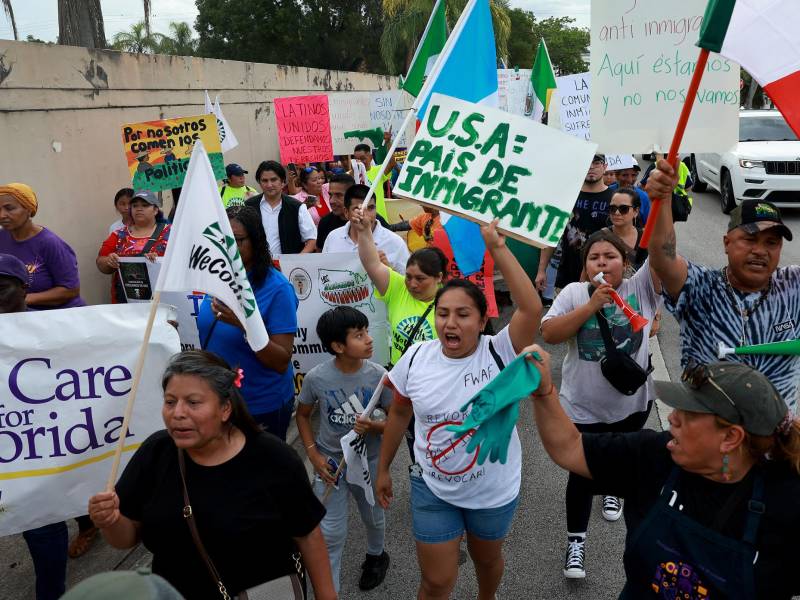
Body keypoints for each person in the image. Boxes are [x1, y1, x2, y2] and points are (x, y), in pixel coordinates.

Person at [527, 346, 800, 599]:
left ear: (730, 437)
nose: (672, 418)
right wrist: (544, 391)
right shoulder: (655, 455)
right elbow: (570, 448)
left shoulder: (787, 500)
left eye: (689, 413)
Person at [375, 220, 541, 600]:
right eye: (443, 313)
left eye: (463, 314)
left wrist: (498, 248)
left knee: (486, 561)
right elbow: (400, 413)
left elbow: (531, 307)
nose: (450, 323)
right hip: (432, 486)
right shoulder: (417, 357)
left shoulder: (500, 351)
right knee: (436, 582)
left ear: (483, 321)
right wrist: (384, 468)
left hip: (492, 490)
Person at [87, 351, 337, 600]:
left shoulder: (272, 457)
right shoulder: (156, 453)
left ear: (225, 408)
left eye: (193, 403)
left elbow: (307, 534)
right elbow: (126, 537)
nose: (178, 413)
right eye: (170, 401)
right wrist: (109, 520)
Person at [541, 230, 662, 579]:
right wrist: (591, 306)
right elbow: (549, 334)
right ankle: (576, 543)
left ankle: (613, 492)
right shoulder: (575, 293)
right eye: (594, 258)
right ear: (586, 266)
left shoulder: (641, 288)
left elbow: (661, 248)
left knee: (626, 468)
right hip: (583, 408)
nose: (602, 263)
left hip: (631, 403)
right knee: (581, 473)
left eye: (610, 256)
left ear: (625, 262)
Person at [646, 159, 800, 414]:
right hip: (708, 441)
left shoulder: (792, 285)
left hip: (774, 444)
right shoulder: (702, 287)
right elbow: (664, 258)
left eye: (772, 242)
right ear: (727, 242)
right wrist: (661, 200)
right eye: (750, 239)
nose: (760, 251)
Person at [296, 307, 392, 593]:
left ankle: (377, 555)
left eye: (366, 331)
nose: (369, 339)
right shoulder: (316, 378)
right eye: (359, 335)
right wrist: (313, 454)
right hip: (331, 465)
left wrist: (375, 426)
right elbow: (302, 415)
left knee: (373, 517)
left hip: (370, 462)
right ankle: (329, 591)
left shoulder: (379, 376)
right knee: (330, 534)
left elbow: (395, 420)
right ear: (338, 346)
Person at [0, 253, 69, 600]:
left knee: (42, 528)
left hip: (39, 449)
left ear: (25, 289)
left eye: (3, 287)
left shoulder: (53, 331)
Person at [196, 206, 298, 439]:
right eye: (224, 241)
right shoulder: (216, 276)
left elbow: (281, 361)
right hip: (218, 400)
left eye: (238, 240)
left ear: (256, 241)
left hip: (261, 405)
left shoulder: (277, 288)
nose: (229, 248)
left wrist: (244, 324)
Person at [536, 154, 614, 293]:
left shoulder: (614, 199)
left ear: (605, 167)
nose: (591, 167)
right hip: (566, 278)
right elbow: (552, 234)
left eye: (596, 162)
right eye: (586, 162)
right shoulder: (567, 196)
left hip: (602, 279)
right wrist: (542, 270)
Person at [0, 183, 85, 310]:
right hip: (20, 316)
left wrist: (19, 299)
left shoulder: (50, 243)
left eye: (9, 208)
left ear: (29, 209)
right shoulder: (2, 238)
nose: (2, 215)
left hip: (57, 319)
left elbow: (70, 290)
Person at [96, 190, 171, 304]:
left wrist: (159, 262)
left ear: (155, 210)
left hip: (163, 303)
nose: (139, 209)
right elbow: (100, 263)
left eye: (145, 205)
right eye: (135, 205)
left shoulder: (171, 232)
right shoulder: (118, 235)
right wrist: (109, 261)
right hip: (126, 304)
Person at [323, 184, 409, 274]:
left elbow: (406, 285)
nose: (365, 215)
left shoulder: (395, 242)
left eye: (371, 208)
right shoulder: (333, 237)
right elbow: (324, 273)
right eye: (357, 209)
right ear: (346, 212)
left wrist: (388, 271)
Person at [245, 161, 317, 255]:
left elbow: (311, 240)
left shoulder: (297, 207)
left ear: (283, 181)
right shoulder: (249, 206)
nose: (269, 185)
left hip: (287, 267)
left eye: (273, 180)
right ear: (259, 182)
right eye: (265, 180)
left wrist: (296, 262)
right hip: (257, 266)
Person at [602, 188, 648, 275]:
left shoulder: (646, 240)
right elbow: (587, 275)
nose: (617, 213)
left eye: (624, 209)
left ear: (636, 211)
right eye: (613, 208)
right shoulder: (599, 238)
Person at [353, 132, 396, 220]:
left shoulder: (378, 171)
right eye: (356, 159)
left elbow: (392, 163)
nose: (359, 162)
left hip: (380, 220)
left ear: (371, 157)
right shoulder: (351, 175)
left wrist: (388, 143)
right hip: (361, 220)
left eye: (362, 158)